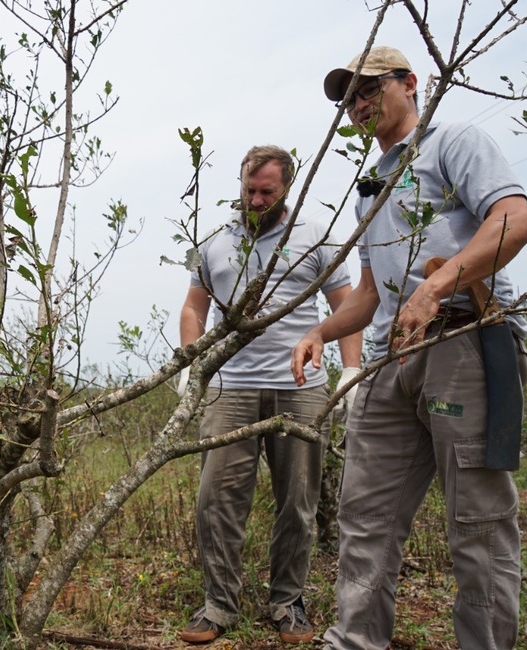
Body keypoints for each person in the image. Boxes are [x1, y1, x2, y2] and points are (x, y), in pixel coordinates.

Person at [292, 46, 527, 650]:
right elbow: (372, 293)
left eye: (370, 88)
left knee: (477, 522)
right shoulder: (371, 185)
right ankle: (354, 639)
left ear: (411, 83)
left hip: (466, 335)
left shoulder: (453, 142)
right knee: (365, 513)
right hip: (391, 353)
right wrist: (321, 332)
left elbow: (516, 219)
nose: (358, 104)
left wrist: (436, 286)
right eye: (349, 97)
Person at [177, 145, 362, 645]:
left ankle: (288, 602)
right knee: (217, 499)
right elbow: (194, 308)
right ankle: (218, 604)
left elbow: (345, 304)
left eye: (267, 192)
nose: (255, 200)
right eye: (249, 190)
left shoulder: (317, 239)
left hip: (300, 388)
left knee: (297, 500)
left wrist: (351, 368)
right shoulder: (215, 241)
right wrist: (192, 360)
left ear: (287, 189)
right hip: (229, 386)